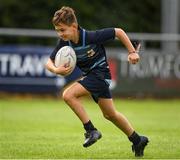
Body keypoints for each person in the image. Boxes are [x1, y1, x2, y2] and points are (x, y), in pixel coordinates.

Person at [46, 6, 149, 157]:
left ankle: (91, 130)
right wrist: (55, 70)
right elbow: (49, 61)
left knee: (68, 95)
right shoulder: (65, 43)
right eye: (57, 30)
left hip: (101, 75)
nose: (59, 34)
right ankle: (137, 140)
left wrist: (132, 52)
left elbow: (118, 32)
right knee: (110, 114)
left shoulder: (91, 36)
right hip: (92, 76)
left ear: (74, 26)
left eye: (62, 30)